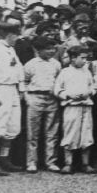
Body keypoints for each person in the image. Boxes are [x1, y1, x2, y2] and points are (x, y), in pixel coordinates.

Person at [21, 36, 62, 173]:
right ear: (38, 50)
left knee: (52, 132)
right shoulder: (30, 64)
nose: (51, 51)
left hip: (52, 99)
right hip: (35, 97)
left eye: (53, 48)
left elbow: (58, 80)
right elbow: (24, 82)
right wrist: (27, 98)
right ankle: (31, 162)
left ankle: (51, 161)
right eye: (48, 49)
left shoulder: (56, 64)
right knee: (33, 133)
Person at [54, 45, 97, 174]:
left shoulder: (87, 72)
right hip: (71, 107)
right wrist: (68, 95)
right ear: (73, 58)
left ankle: (85, 163)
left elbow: (93, 87)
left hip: (86, 106)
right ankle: (68, 163)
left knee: (86, 133)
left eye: (86, 58)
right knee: (70, 133)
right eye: (82, 58)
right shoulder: (65, 72)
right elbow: (57, 89)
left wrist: (89, 93)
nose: (85, 61)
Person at [0, 23, 25, 176]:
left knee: (12, 126)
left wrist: (22, 89)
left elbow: (19, 69)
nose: (17, 38)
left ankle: (4, 158)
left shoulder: (11, 49)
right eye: (15, 35)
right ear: (8, 34)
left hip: (13, 90)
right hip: (0, 89)